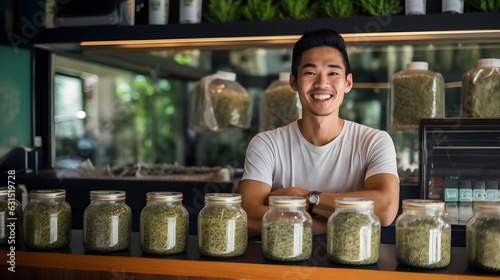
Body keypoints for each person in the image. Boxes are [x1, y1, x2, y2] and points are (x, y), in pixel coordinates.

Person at [239, 29, 399, 237]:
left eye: (333, 73)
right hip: (282, 263)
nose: (322, 83)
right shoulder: (266, 144)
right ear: (293, 82)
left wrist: (303, 197)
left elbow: (385, 210)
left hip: (354, 263)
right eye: (310, 73)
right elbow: (248, 216)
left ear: (348, 82)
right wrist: (336, 224)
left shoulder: (374, 141)